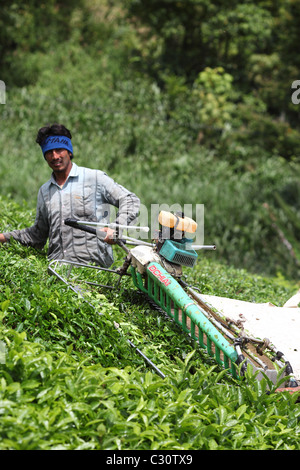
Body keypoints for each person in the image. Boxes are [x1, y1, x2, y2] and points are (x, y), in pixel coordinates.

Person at [0, 123, 140, 267]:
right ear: (45, 157)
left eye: (59, 150)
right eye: (49, 152)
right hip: (57, 271)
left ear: (69, 152)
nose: (55, 156)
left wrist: (116, 228)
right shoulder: (45, 191)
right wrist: (3, 237)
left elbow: (130, 200)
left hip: (95, 269)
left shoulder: (94, 178)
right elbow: (37, 235)